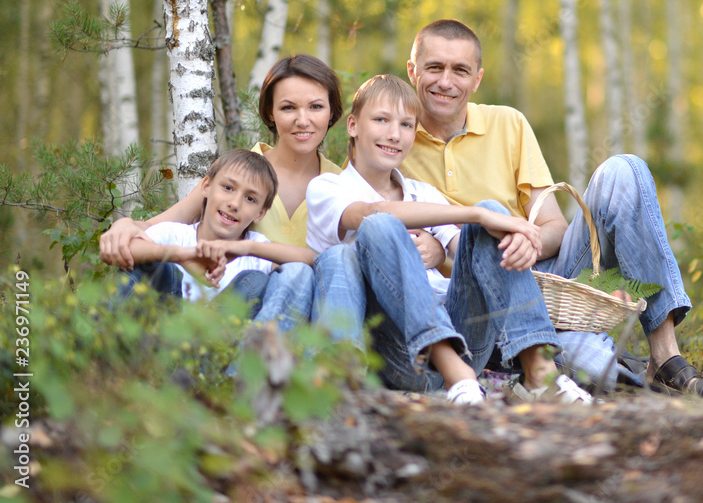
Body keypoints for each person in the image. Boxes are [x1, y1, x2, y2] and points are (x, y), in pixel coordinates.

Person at [398, 19, 703, 401]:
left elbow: (555, 227)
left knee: (624, 170)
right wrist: (442, 252)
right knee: (597, 370)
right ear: (413, 71)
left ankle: (665, 356)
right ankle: (576, 363)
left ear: (476, 79)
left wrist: (525, 241)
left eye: (459, 70)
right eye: (434, 68)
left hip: (541, 280)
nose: (446, 81)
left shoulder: (508, 123)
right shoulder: (393, 138)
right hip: (466, 310)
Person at [99, 55, 443, 330]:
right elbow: (163, 227)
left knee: (294, 275)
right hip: (236, 304)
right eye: (288, 107)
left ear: (333, 115)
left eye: (316, 107)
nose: (303, 120)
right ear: (271, 113)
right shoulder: (240, 176)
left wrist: (439, 250)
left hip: (308, 316)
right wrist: (125, 225)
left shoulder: (343, 188)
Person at [306, 74, 592, 404]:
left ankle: (540, 373)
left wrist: (502, 230)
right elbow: (372, 212)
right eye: (381, 120)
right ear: (353, 125)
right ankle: (452, 371)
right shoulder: (327, 188)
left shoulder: (423, 193)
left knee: (490, 212)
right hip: (396, 352)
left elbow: (465, 252)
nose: (393, 134)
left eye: (406, 125)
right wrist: (474, 215)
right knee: (380, 226)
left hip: (465, 340)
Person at [118, 150, 315, 313]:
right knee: (155, 265)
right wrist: (181, 255)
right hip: (165, 330)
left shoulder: (255, 251)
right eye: (228, 188)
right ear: (206, 186)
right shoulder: (177, 235)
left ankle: (205, 355)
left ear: (260, 213)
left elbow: (311, 260)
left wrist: (245, 248)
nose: (234, 203)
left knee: (256, 281)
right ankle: (103, 346)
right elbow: (128, 248)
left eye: (250, 199)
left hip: (218, 340)